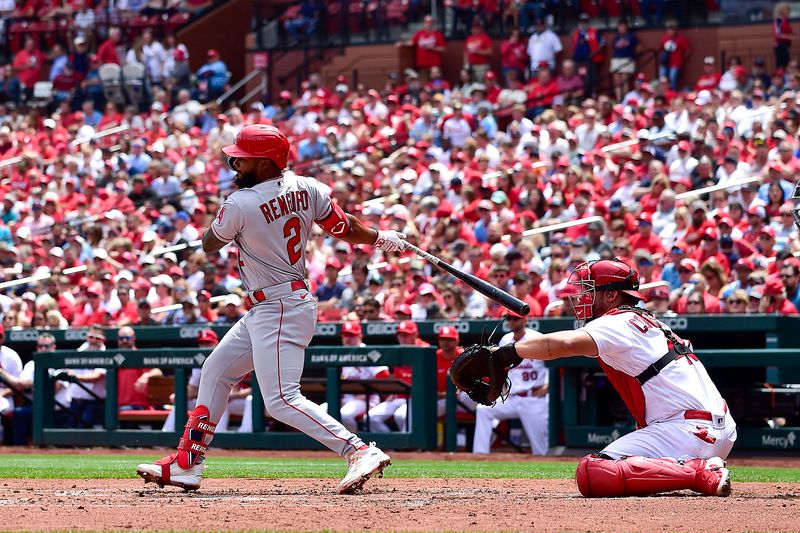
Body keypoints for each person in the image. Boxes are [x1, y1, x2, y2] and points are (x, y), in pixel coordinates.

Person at [137, 124, 404, 494]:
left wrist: (229, 211)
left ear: (263, 164)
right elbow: (344, 227)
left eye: (242, 159)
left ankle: (358, 450)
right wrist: (379, 237)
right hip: (273, 306)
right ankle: (187, 464)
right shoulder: (308, 187)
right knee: (215, 371)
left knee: (280, 400)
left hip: (279, 305)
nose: (234, 164)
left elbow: (210, 244)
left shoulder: (241, 202)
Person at [486, 259, 735, 497]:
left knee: (593, 472)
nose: (582, 297)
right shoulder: (644, 320)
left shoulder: (618, 321)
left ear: (611, 295)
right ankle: (700, 464)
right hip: (709, 428)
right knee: (603, 466)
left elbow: (564, 344)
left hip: (688, 430)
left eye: (590, 290)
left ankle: (699, 472)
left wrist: (509, 351)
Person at [473, 312, 548, 455]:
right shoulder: (505, 340)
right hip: (512, 398)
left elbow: (552, 365)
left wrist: (548, 386)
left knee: (541, 450)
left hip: (532, 398)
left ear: (525, 319)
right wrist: (500, 390)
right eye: (509, 318)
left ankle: (546, 474)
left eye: (516, 318)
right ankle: (479, 455)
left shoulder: (537, 338)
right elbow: (501, 370)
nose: (512, 321)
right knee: (483, 409)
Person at [161, 329, 250, 433]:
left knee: (221, 400)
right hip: (209, 399)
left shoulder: (227, 357)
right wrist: (180, 396)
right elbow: (193, 388)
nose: (204, 346)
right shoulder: (199, 361)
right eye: (202, 343)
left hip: (234, 400)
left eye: (208, 343)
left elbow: (234, 389)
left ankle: (218, 437)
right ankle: (166, 434)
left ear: (216, 344)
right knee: (181, 402)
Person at [774, 2, 793, 70]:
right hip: (780, 47)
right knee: (781, 67)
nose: (788, 12)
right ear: (781, 10)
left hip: (786, 47)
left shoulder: (785, 21)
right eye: (787, 9)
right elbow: (778, 34)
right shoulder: (779, 20)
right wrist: (789, 37)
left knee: (787, 66)